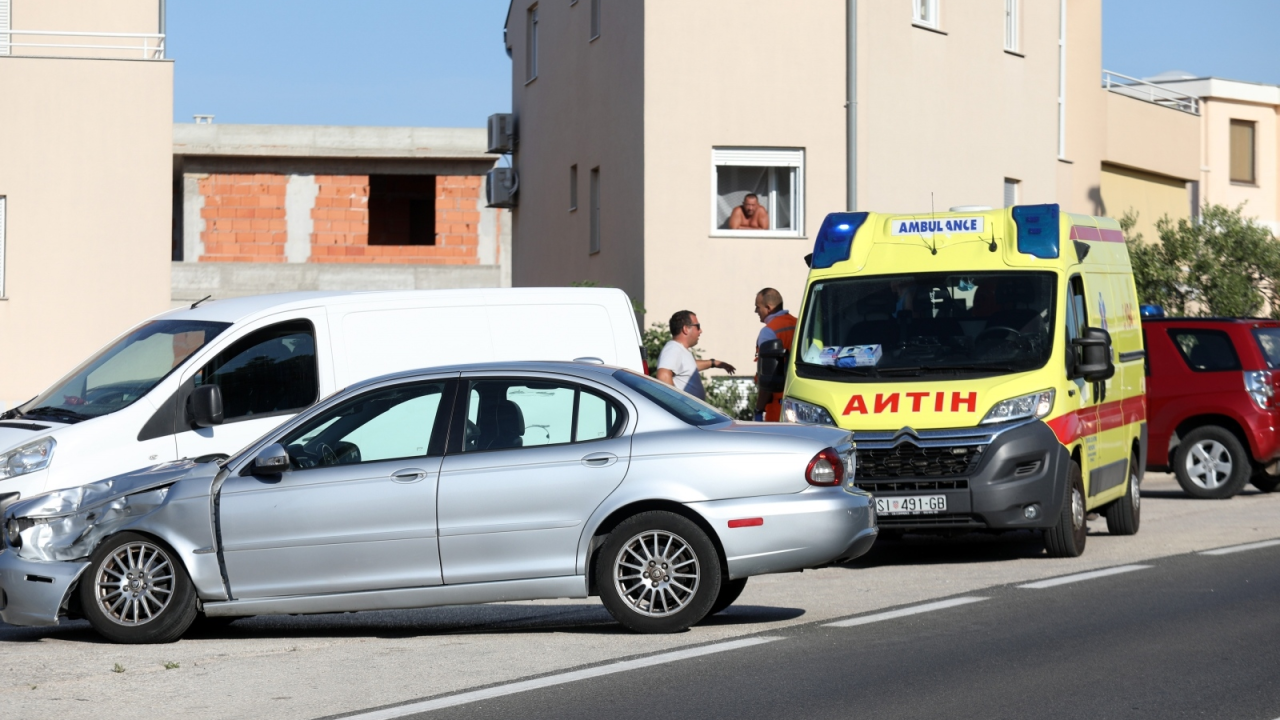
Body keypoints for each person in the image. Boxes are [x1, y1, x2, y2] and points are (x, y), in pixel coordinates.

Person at [657, 310, 736, 400]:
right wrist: (677, 404)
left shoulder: (679, 349)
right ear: (685, 329)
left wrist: (713, 363)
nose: (700, 331)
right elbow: (663, 376)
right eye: (698, 326)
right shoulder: (673, 349)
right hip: (684, 412)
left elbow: (689, 366)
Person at [752, 288, 797, 421]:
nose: (756, 311)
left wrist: (759, 409)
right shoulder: (799, 323)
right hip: (801, 399)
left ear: (768, 308)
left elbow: (768, 377)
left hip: (778, 405)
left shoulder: (768, 332)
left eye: (757, 307)